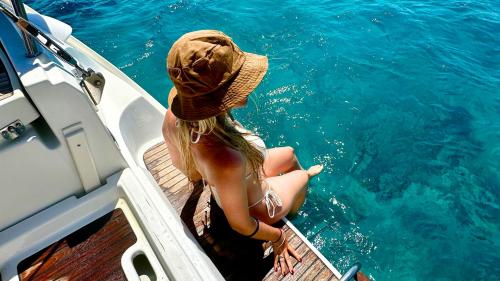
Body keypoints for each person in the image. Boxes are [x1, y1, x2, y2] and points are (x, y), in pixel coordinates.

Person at [162, 30, 323, 276]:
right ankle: (294, 214)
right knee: (301, 178)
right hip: (256, 202)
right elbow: (241, 224)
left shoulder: (177, 114)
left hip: (241, 179)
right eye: (237, 83)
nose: (248, 88)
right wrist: (278, 238)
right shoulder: (225, 159)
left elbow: (180, 162)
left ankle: (286, 185)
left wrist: (203, 179)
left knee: (289, 153)